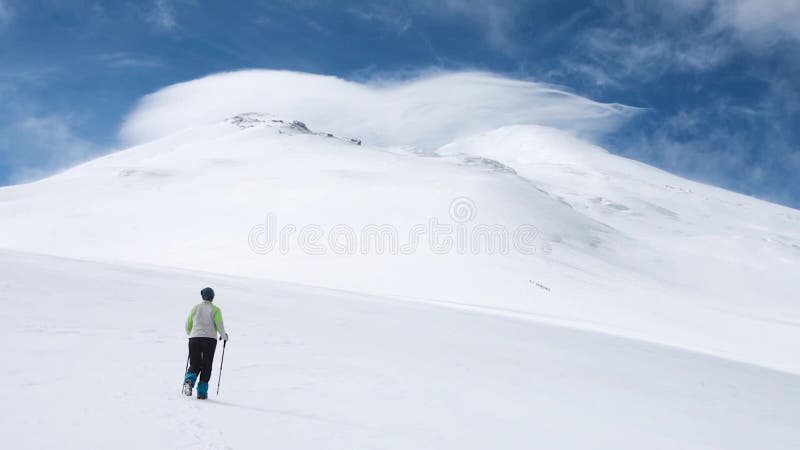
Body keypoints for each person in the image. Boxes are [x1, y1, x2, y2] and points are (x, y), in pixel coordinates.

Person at [183, 287, 228, 399]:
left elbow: (187, 326)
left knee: (195, 363)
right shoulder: (216, 309)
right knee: (207, 365)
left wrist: (192, 334)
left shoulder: (195, 308)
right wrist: (224, 336)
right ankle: (202, 392)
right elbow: (220, 325)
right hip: (209, 340)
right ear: (212, 297)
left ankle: (189, 380)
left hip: (194, 338)